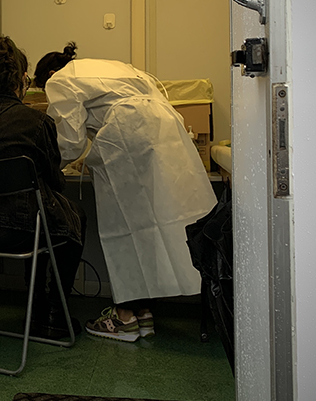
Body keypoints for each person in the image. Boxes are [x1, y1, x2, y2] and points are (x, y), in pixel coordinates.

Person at [35, 44, 217, 342]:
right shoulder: (109, 67)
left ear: (50, 74)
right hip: (164, 130)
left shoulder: (60, 80)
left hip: (127, 136)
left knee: (123, 228)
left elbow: (69, 141)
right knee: (148, 227)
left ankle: (124, 317)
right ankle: (143, 311)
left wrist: (50, 167)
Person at [0, 36, 85, 338]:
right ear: (23, 79)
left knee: (41, 217)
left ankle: (36, 303)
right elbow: (56, 182)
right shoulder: (37, 121)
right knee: (68, 218)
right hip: (20, 232)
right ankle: (53, 313)